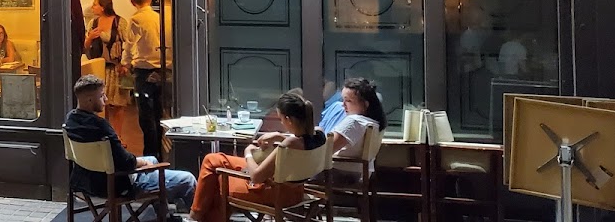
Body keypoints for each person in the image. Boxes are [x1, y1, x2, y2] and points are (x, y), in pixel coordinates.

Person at [65, 75, 195, 216]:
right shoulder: (101, 126)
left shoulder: (71, 120)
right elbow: (126, 162)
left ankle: (164, 215)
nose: (106, 99)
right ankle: (197, 217)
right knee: (187, 179)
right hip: (117, 184)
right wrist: (140, 162)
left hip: (86, 180)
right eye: (102, 96)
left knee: (152, 159)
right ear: (90, 100)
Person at [190, 92, 327, 221]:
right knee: (213, 159)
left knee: (216, 179)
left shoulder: (288, 145)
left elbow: (256, 176)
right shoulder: (319, 135)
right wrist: (279, 136)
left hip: (276, 193)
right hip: (295, 190)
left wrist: (248, 152)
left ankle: (195, 216)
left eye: (281, 119)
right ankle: (197, 216)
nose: (281, 123)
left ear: (288, 119)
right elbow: (301, 140)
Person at [119, 0, 165, 158]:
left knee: (146, 116)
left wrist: (125, 63)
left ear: (133, 3)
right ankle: (161, 152)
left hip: (143, 71)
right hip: (162, 70)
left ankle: (150, 153)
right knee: (159, 113)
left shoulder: (136, 19)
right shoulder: (159, 18)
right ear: (151, 0)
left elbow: (129, 44)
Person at [330, 77, 387, 182]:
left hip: (338, 173)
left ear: (365, 104)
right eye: (343, 100)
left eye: (348, 101)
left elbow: (327, 149)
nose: (343, 105)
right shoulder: (375, 123)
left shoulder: (355, 121)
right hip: (358, 173)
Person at [84, 0, 129, 107]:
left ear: (102, 7)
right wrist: (90, 37)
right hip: (98, 68)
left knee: (117, 105)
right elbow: (86, 46)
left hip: (116, 69)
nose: (92, 7)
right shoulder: (92, 23)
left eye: (95, 5)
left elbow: (128, 44)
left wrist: (125, 64)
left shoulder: (120, 22)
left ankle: (116, 126)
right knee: (99, 105)